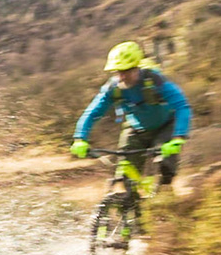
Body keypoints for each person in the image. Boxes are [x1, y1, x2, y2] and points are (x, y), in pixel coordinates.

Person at [70, 41, 192, 190]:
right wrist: (80, 138)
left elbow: (182, 106)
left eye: (126, 71)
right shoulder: (113, 88)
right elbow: (92, 112)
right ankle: (127, 199)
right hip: (135, 130)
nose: (122, 76)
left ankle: (164, 195)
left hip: (165, 127)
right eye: (118, 72)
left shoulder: (155, 81)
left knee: (164, 165)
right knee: (124, 175)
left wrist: (178, 137)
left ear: (136, 68)